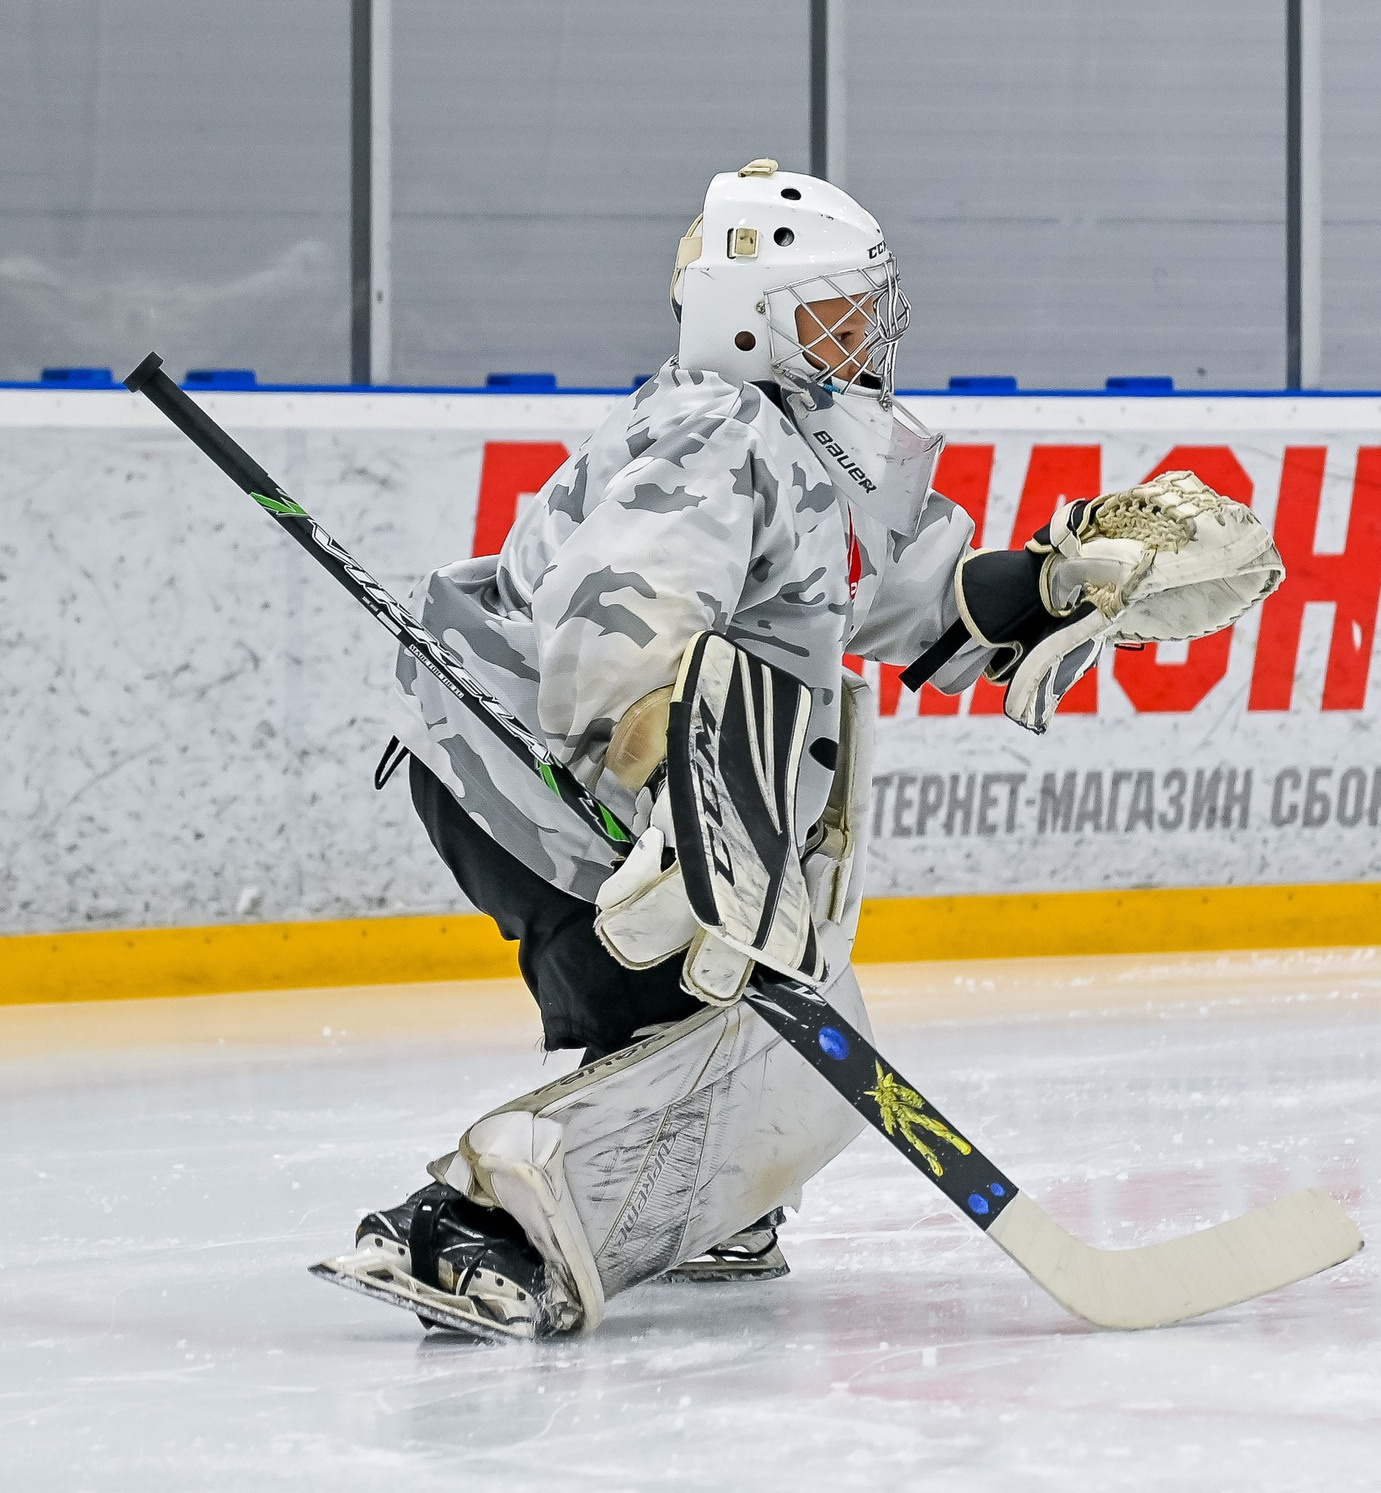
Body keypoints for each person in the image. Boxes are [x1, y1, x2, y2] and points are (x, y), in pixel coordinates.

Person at [314, 159, 1279, 1339]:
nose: (862, 334)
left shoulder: (809, 447)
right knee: (742, 1028)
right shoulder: (716, 425)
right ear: (746, 319)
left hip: (591, 774)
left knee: (757, 1013)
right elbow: (621, 612)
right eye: (831, 311)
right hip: (545, 772)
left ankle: (694, 1200)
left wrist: (1060, 580)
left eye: (864, 307)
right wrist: (657, 779)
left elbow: (908, 603)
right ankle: (471, 1227)